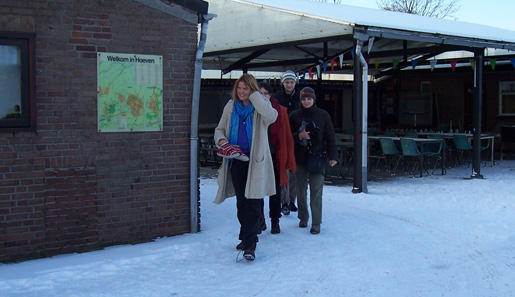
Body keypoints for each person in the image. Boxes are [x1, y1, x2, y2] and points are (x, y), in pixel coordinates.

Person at [214, 74, 278, 261]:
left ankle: (250, 244)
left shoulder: (259, 108)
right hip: (235, 159)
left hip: (254, 161)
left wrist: (256, 96)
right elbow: (219, 129)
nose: (242, 92)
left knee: (253, 202)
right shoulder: (231, 106)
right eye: (239, 88)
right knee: (241, 202)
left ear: (252, 90)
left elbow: (272, 116)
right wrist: (223, 141)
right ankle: (246, 236)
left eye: (246, 89)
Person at [289, 87, 338, 235]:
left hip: (317, 157)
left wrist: (333, 156)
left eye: (309, 98)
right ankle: (303, 217)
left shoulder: (323, 115)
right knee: (300, 189)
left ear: (314, 98)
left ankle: (316, 222)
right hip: (300, 157)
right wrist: (299, 135)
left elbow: (330, 136)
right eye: (304, 99)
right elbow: (287, 136)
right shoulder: (294, 116)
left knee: (316, 190)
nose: (306, 101)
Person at [257, 81, 297, 234]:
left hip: (275, 155)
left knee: (275, 190)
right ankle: (260, 219)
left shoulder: (280, 111)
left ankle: (275, 220)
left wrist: (288, 158)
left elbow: (286, 136)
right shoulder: (253, 111)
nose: (264, 96)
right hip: (259, 157)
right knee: (258, 189)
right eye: (260, 94)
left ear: (270, 95)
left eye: (266, 93)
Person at [274, 70, 300, 215]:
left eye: (291, 82)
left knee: (294, 170)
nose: (289, 85)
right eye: (287, 82)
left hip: (296, 138)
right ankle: (284, 201)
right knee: (283, 170)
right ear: (283, 83)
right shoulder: (277, 98)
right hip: (282, 138)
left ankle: (292, 200)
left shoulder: (300, 97)